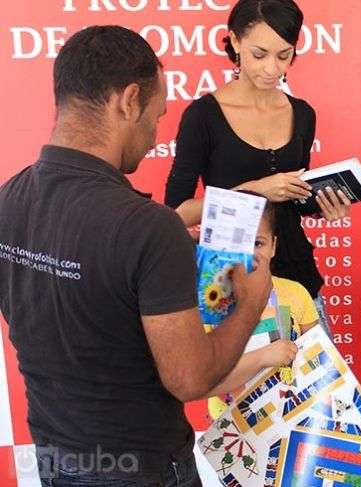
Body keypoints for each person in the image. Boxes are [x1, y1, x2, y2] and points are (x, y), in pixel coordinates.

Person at [0, 26, 273, 486]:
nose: (153, 135)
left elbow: (59, 306)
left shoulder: (8, 198)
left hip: (54, 455)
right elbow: (190, 380)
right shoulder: (148, 226)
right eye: (156, 115)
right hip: (140, 467)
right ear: (128, 100)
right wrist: (249, 302)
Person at [165, 0, 349, 334]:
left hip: (296, 272)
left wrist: (321, 205)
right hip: (227, 278)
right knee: (238, 384)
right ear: (234, 42)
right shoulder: (203, 117)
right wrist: (254, 191)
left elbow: (291, 200)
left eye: (284, 55)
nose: (272, 69)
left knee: (319, 379)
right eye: (259, 54)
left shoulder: (303, 114)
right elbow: (176, 213)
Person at [205, 194, 318, 419]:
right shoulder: (211, 302)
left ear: (273, 245)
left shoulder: (295, 293)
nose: (249, 254)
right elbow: (205, 381)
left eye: (258, 243)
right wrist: (264, 356)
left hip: (291, 415)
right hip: (231, 421)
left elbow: (317, 361)